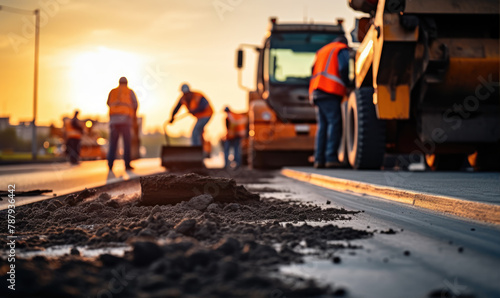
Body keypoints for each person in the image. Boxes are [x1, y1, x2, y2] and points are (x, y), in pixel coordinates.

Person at [309, 36, 350, 168]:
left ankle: (319, 159)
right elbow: (344, 68)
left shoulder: (322, 51)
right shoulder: (341, 49)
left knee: (323, 126)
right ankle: (331, 157)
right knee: (334, 123)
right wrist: (348, 85)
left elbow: (312, 70)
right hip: (330, 90)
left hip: (317, 91)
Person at [107, 77, 138, 171]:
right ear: (126, 83)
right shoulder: (129, 91)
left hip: (113, 122)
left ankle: (110, 164)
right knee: (126, 143)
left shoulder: (113, 91)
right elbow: (135, 104)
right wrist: (134, 117)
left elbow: (108, 103)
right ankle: (127, 164)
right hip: (125, 121)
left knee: (113, 144)